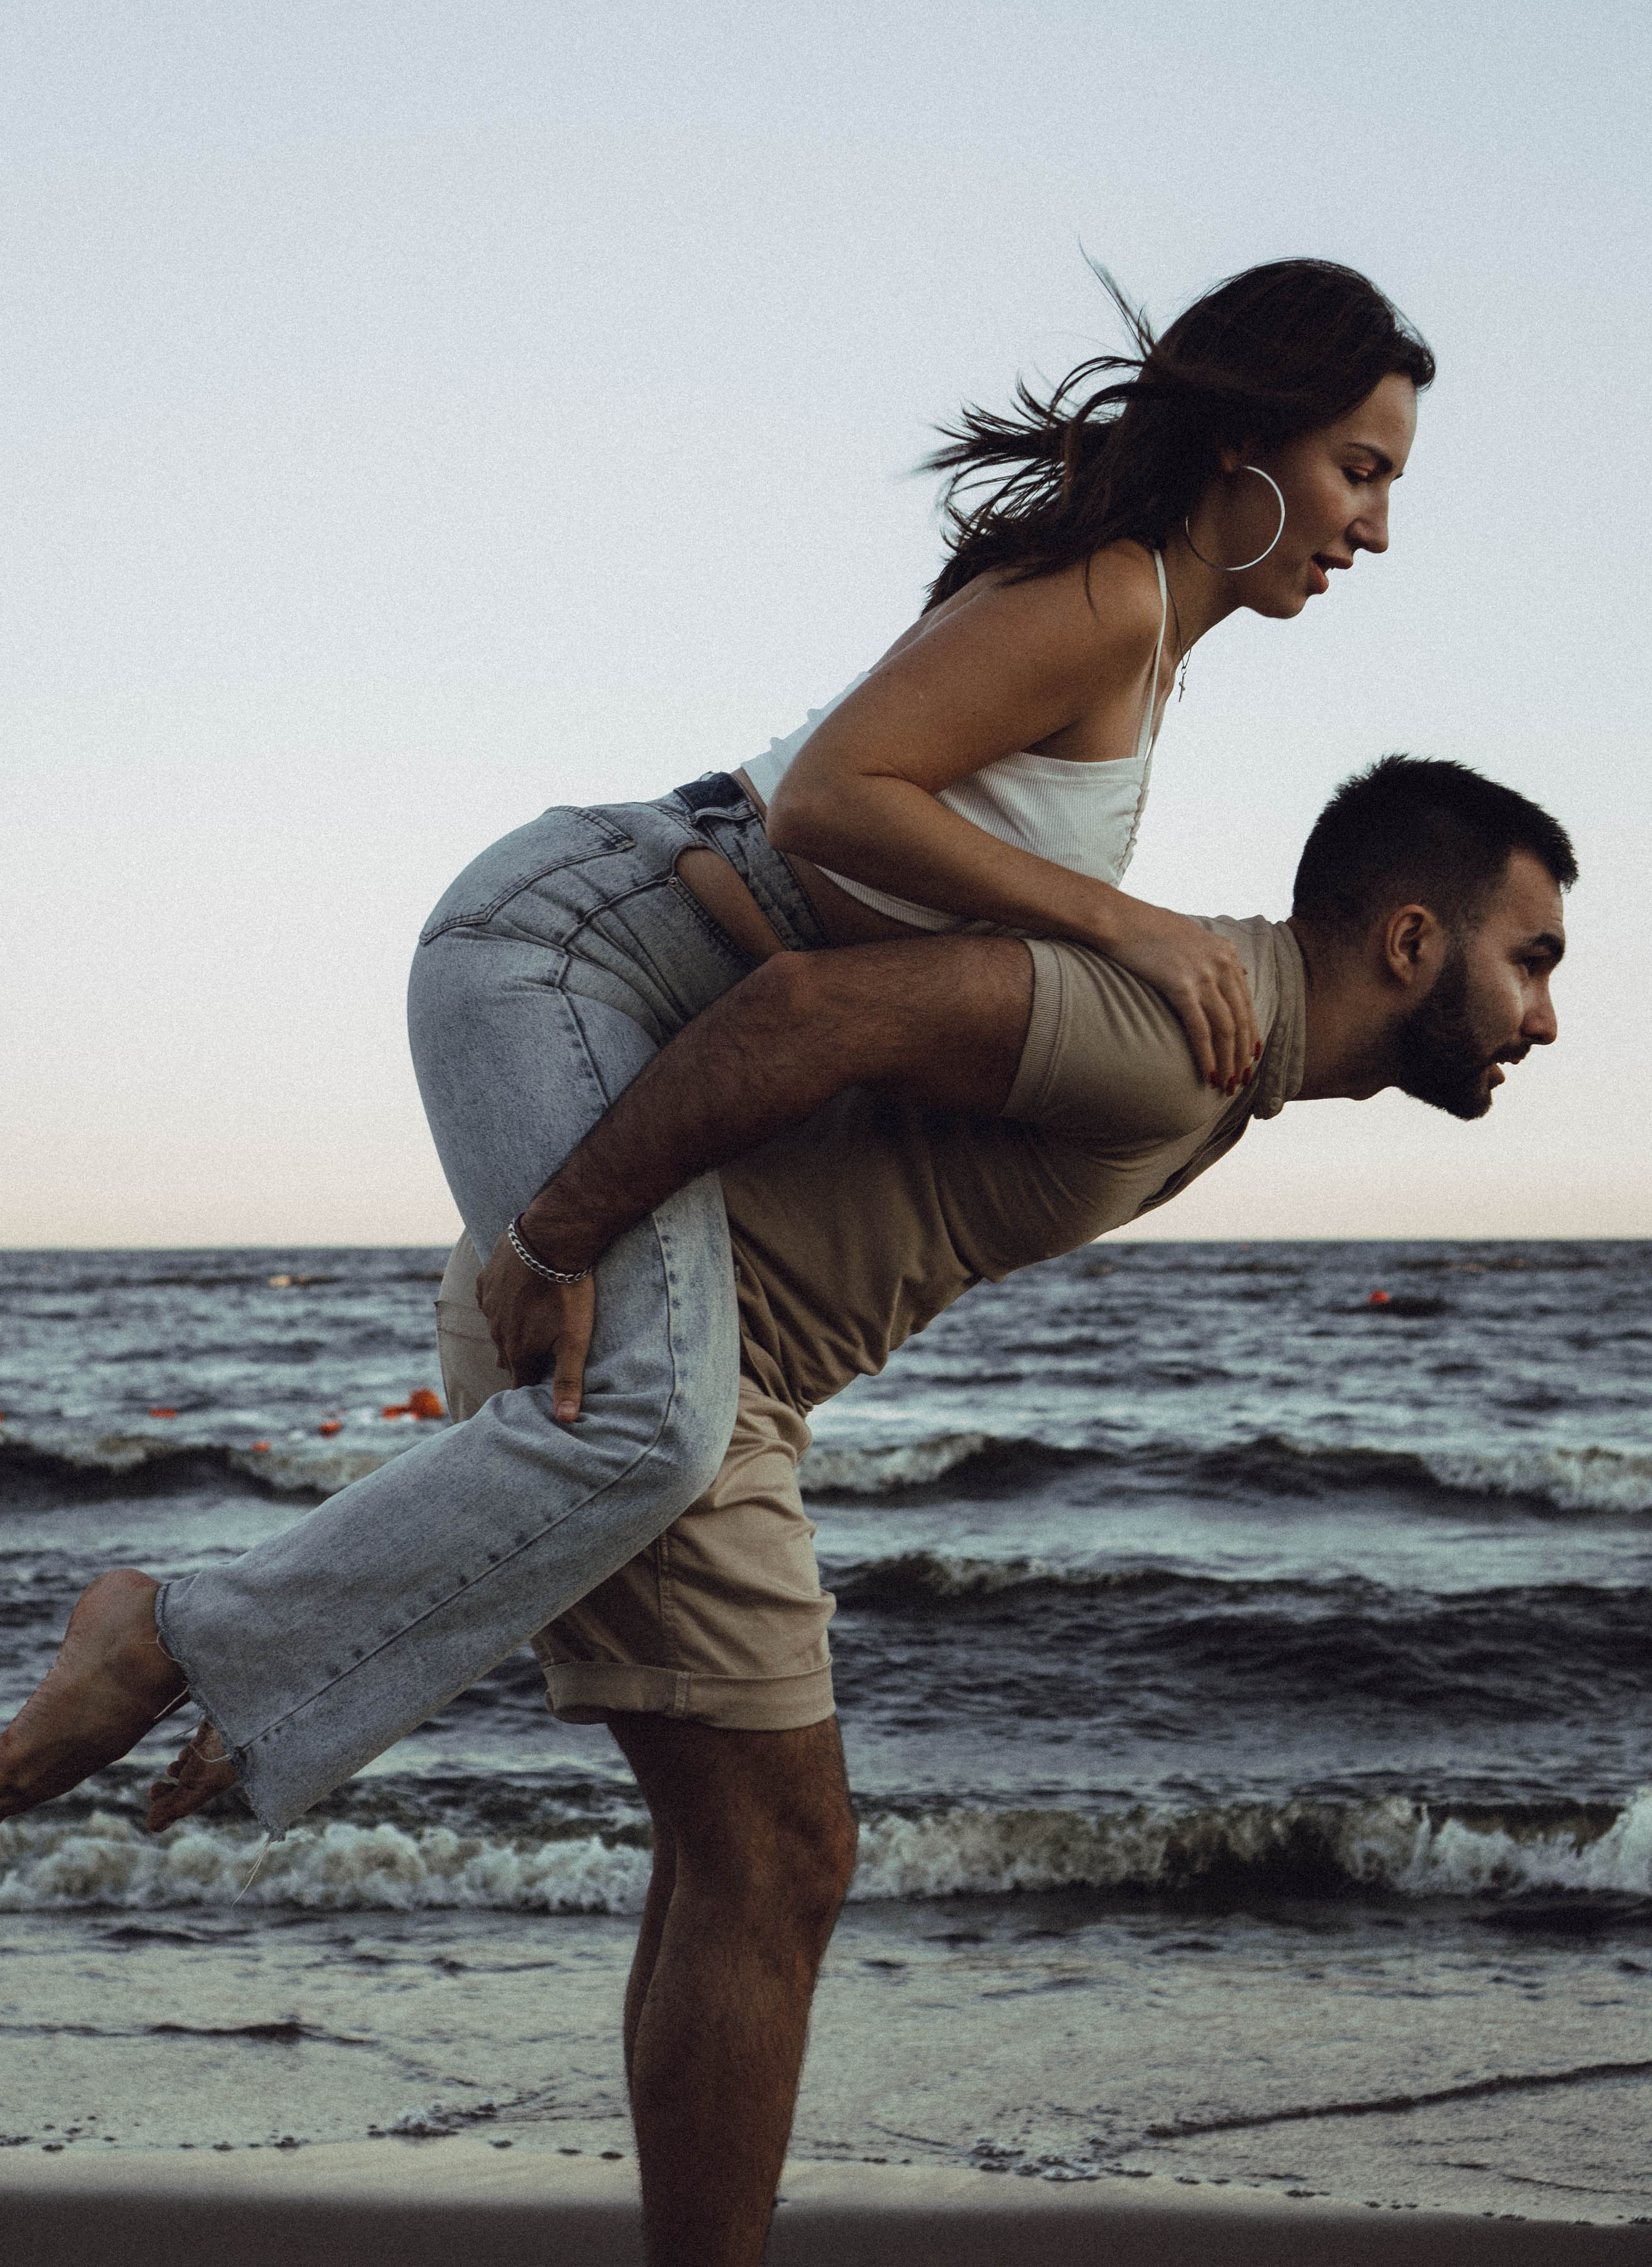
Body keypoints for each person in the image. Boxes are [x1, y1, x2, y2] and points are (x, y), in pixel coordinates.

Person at [5, 753, 1567, 2267]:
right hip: (662, 1356)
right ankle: (172, 1633)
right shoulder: (1167, 1035)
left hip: (696, 1361)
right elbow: (814, 1013)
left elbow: (854, 1019)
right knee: (779, 1860)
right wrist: (559, 1240)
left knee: (737, 1858)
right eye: (1531, 960)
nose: (1545, 1019)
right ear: (1410, 940)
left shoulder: (1212, 1051)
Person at [0, 261, 1433, 1840]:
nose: (1371, 525)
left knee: (642, 1435)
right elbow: (826, 800)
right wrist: (1129, 927)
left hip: (645, 957)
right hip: (556, 945)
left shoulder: (1147, 641)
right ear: (1248, 447)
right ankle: (162, 1638)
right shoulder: (1105, 599)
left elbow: (817, 894)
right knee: (655, 1419)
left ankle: (254, 1692)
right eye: (1356, 471)